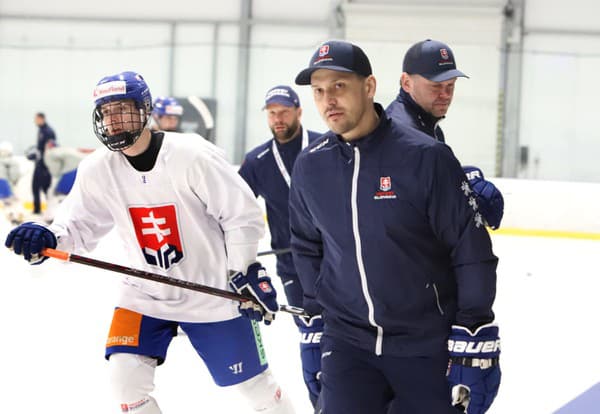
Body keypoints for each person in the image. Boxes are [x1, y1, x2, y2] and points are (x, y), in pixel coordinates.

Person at [5, 71, 296, 414]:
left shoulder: (192, 155)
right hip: (143, 293)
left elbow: (241, 215)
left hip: (211, 291)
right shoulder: (98, 169)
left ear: (144, 111)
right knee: (124, 384)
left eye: (121, 110)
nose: (113, 121)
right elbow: (79, 225)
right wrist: (49, 236)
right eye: (106, 113)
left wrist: (245, 269)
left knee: (254, 389)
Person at [289, 40, 501, 414]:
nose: (328, 100)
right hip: (348, 341)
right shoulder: (310, 165)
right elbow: (307, 247)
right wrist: (313, 322)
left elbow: (469, 248)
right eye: (319, 91)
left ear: (369, 87)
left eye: (339, 86)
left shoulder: (425, 157)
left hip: (424, 344)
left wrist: (473, 328)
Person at [239, 85, 323, 408]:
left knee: (343, 337)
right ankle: (322, 404)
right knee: (312, 337)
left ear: (299, 112)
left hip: (337, 259)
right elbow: (235, 210)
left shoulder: (324, 145)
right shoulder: (257, 161)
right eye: (272, 112)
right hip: (293, 267)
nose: (277, 118)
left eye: (284, 111)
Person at [386, 39, 504, 230]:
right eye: (436, 86)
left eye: (450, 86)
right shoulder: (402, 134)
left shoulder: (428, 126)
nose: (446, 95)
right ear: (406, 83)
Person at [29, 112, 57, 215]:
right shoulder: (40, 130)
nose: (35, 121)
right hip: (39, 164)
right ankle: (37, 210)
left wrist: (46, 164)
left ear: (41, 119)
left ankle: (52, 211)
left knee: (46, 190)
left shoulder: (48, 131)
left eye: (36, 119)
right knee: (35, 187)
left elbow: (51, 149)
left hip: (45, 166)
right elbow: (40, 149)